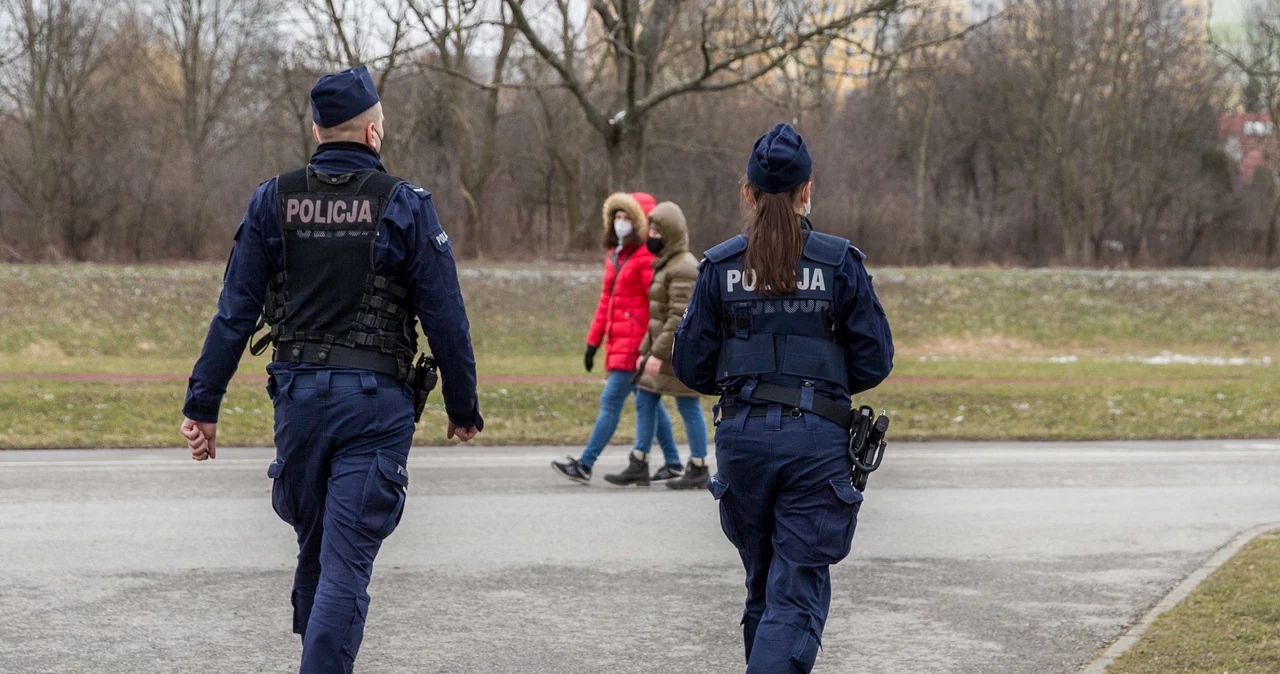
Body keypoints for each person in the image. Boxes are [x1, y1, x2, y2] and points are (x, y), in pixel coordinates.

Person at [178, 65, 482, 674]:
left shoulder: (273, 199)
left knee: (316, 550)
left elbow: (235, 310)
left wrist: (202, 405)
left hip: (299, 402)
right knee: (344, 562)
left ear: (317, 130)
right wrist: (462, 404)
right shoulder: (405, 205)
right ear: (373, 133)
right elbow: (445, 315)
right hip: (375, 408)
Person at [672, 123, 893, 674]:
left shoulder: (719, 267)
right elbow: (875, 360)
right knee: (793, 593)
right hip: (815, 440)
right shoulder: (839, 263)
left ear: (748, 192)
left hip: (742, 439)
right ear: (807, 190)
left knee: (765, 587)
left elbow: (692, 366)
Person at [551, 192, 684, 485]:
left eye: (627, 218)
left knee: (611, 400)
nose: (620, 223)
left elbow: (657, 306)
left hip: (635, 345)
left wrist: (653, 347)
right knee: (649, 402)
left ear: (639, 222)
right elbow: (606, 302)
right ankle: (674, 462)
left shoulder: (645, 259)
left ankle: (585, 463)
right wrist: (592, 341)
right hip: (619, 341)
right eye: (617, 217)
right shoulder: (615, 256)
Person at [605, 201, 709, 489]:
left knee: (688, 404)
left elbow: (678, 318)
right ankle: (639, 462)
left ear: (671, 232)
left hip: (680, 351)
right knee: (645, 398)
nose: (650, 234)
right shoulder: (665, 264)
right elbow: (656, 316)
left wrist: (657, 353)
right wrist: (643, 352)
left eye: (656, 230)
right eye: (650, 229)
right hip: (662, 349)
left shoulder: (684, 267)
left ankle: (699, 465)